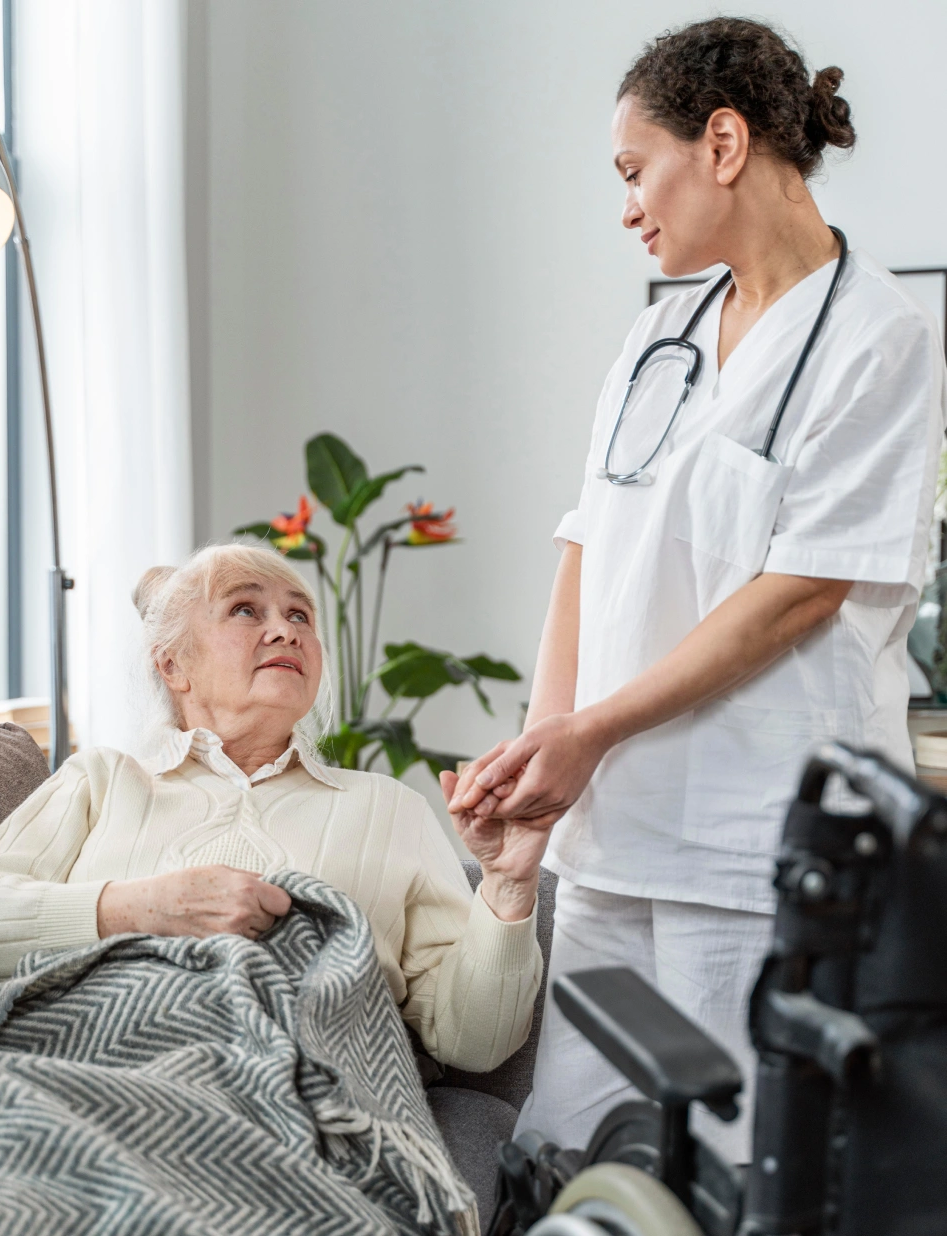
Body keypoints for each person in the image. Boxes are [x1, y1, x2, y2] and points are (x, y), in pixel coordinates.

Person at [447, 17, 947, 1160]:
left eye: (635, 170)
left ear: (721, 143)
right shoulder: (657, 338)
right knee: (573, 1150)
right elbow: (587, 548)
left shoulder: (878, 337)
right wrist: (539, 761)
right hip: (610, 825)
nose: (627, 206)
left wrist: (586, 736)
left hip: (749, 836)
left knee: (734, 1161)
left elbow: (802, 590)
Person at [0, 542, 545, 1074]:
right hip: (78, 1074)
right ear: (173, 664)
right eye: (245, 609)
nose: (286, 631)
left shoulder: (389, 809)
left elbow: (474, 1043)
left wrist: (508, 886)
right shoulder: (101, 779)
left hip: (289, 1100)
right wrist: (148, 908)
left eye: (299, 615)